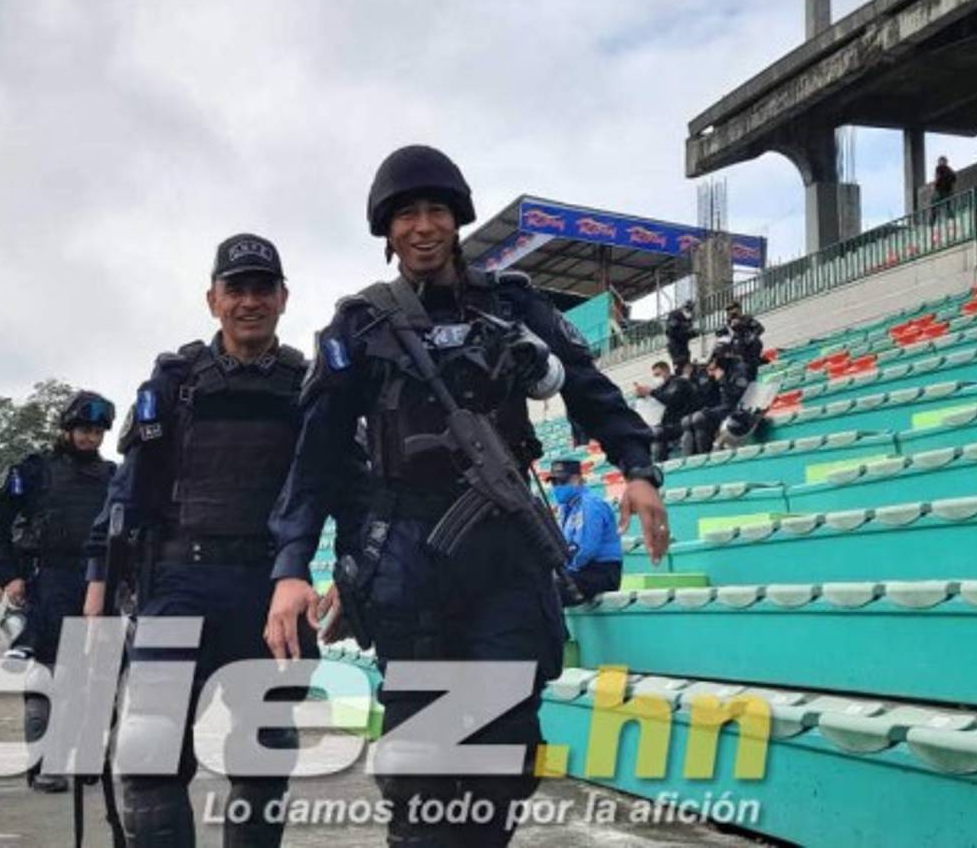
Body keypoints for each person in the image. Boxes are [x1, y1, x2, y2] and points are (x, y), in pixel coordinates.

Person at [264, 144, 670, 847]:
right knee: (423, 762)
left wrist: (638, 467)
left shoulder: (513, 305)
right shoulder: (357, 325)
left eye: (436, 211)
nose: (422, 227)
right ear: (386, 232)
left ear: (457, 220)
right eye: (407, 215)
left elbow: (590, 390)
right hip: (407, 554)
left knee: (502, 751)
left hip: (507, 553)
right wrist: (291, 565)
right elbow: (318, 454)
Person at [82, 233, 351, 847]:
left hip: (271, 591)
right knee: (151, 757)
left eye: (263, 289)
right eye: (236, 290)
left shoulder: (309, 388)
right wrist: (99, 577)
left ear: (284, 298)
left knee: (263, 759)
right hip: (176, 584)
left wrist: (356, 567)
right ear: (213, 300)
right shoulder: (175, 383)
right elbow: (128, 488)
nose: (249, 302)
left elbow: (348, 483)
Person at [0, 390, 116, 793]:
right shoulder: (36, 471)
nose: (90, 439)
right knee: (50, 675)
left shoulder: (113, 476)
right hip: (51, 581)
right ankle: (46, 763)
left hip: (101, 581)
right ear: (67, 427)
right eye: (83, 430)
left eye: (97, 432)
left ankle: (89, 759)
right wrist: (9, 576)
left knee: (99, 677)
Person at [548, 459, 623, 604]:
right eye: (554, 483)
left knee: (547, 592)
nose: (557, 487)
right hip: (580, 571)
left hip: (600, 572)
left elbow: (585, 549)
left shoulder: (590, 505)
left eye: (562, 482)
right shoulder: (566, 507)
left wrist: (564, 571)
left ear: (576, 480)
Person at [680, 341, 751, 456]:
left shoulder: (740, 368)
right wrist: (706, 378)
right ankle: (688, 460)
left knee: (699, 418)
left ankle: (704, 456)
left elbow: (737, 394)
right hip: (719, 406)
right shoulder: (714, 370)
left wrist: (722, 380)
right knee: (686, 421)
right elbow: (705, 395)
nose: (714, 362)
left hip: (736, 407)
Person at [634, 360, 699, 462]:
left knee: (658, 432)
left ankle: (659, 464)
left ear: (667, 371)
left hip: (684, 422)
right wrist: (642, 395)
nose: (656, 378)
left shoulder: (679, 382)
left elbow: (670, 399)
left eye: (658, 374)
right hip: (668, 424)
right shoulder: (662, 387)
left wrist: (651, 392)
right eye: (654, 375)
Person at [725, 300, 765, 371]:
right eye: (729, 310)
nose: (731, 311)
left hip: (750, 348)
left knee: (754, 363)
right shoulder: (728, 324)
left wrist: (750, 337)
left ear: (738, 309)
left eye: (732, 308)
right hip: (738, 353)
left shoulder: (746, 319)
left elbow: (760, 328)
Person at [663, 300, 698, 367]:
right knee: (680, 364)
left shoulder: (687, 318)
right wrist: (686, 330)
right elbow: (672, 331)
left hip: (683, 347)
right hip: (676, 347)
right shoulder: (675, 315)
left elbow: (685, 334)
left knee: (685, 363)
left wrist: (693, 333)